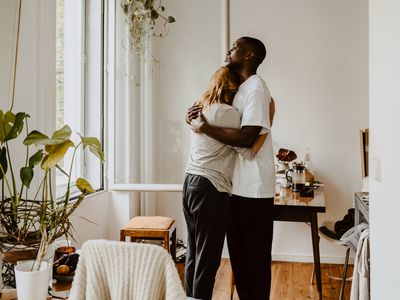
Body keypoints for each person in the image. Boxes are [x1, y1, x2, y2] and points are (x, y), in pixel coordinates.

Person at [189, 36, 275, 299]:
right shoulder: (242, 89)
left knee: (253, 261)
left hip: (254, 187)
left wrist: (204, 127)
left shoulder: (257, 88)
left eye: (235, 47)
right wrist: (193, 117)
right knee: (240, 259)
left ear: (249, 55)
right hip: (235, 184)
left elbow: (248, 136)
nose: (228, 50)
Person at [183, 66, 243, 300]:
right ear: (232, 87)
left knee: (194, 252)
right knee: (208, 256)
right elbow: (244, 145)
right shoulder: (228, 113)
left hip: (190, 182)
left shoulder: (200, 109)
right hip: (211, 186)